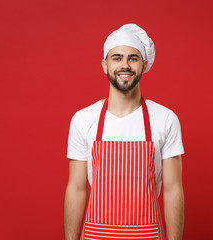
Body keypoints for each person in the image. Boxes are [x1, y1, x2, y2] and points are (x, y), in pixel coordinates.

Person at [64, 23, 185, 240]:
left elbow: (173, 190)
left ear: (144, 64)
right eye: (117, 58)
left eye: (133, 58)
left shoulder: (165, 119)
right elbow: (76, 188)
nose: (125, 65)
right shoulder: (83, 119)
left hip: (148, 235)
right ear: (105, 64)